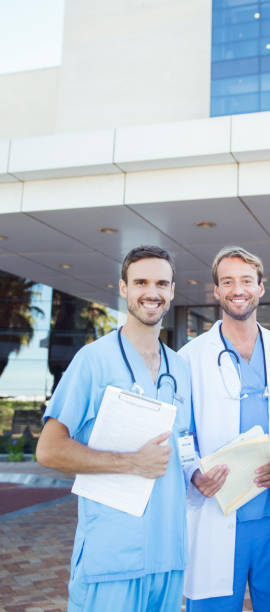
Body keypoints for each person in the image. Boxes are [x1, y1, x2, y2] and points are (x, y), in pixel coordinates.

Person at [36, 245, 192, 612]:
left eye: (161, 283)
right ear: (123, 288)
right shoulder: (93, 360)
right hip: (111, 557)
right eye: (140, 282)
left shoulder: (180, 368)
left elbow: (183, 446)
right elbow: (48, 449)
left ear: (171, 292)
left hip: (168, 556)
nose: (151, 292)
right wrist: (131, 463)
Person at [178, 246, 270, 612]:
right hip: (217, 508)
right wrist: (192, 475)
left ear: (261, 288)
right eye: (228, 282)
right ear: (216, 291)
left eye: (247, 281)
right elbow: (180, 433)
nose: (239, 289)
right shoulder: (190, 356)